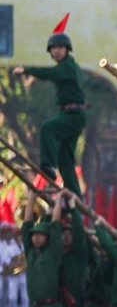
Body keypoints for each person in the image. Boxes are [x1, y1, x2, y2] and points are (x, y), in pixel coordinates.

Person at [15, 19, 87, 193]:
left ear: (67, 49)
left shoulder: (67, 66)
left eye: (60, 48)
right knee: (66, 161)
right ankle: (75, 200)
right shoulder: (69, 66)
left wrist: (27, 70)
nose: (56, 51)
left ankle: (48, 166)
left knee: (47, 128)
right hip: (70, 114)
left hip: (73, 115)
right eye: (53, 49)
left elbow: (50, 73)